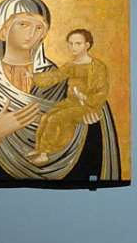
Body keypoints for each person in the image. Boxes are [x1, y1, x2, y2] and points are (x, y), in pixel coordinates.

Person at [0, 0, 118, 182]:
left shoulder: (57, 79)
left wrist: (90, 117)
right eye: (23, 24)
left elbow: (88, 106)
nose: (32, 32)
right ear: (3, 30)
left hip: (68, 172)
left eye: (39, 27)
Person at [29, 27, 109, 164]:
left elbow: (102, 91)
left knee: (56, 118)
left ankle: (45, 153)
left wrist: (84, 97)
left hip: (87, 106)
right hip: (71, 102)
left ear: (87, 45)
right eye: (70, 44)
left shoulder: (97, 66)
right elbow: (55, 76)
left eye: (78, 43)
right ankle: (39, 148)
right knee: (46, 116)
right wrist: (34, 77)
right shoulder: (71, 65)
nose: (73, 47)